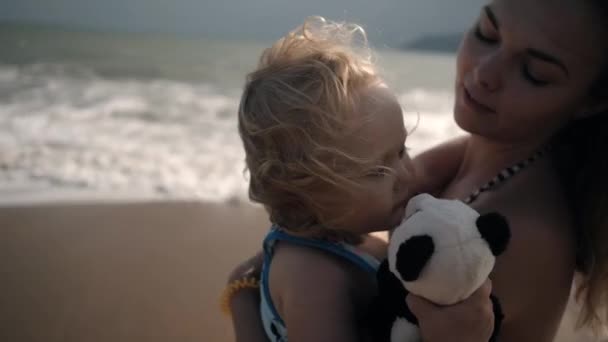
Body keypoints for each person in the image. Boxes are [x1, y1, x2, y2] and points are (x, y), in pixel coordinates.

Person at [226, 0, 608, 341]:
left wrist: (243, 297)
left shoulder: (520, 232)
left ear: (591, 100)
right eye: (487, 33)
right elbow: (325, 193)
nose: (485, 73)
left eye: (535, 71)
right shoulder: (474, 153)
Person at [227, 16, 422, 342]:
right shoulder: (313, 280)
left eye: (402, 150)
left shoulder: (343, 234)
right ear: (305, 194)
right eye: (378, 171)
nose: (408, 175)